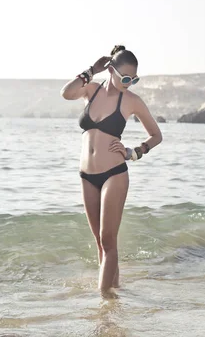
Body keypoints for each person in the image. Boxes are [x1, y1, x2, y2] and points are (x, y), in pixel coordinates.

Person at [60, 45, 162, 298]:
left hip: (114, 173)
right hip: (86, 175)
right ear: (111, 70)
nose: (129, 83)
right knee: (99, 242)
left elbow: (156, 135)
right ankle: (114, 296)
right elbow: (66, 93)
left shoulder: (131, 101)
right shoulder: (91, 91)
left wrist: (135, 152)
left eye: (133, 79)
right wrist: (91, 70)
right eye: (125, 77)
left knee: (108, 241)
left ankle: (103, 301)